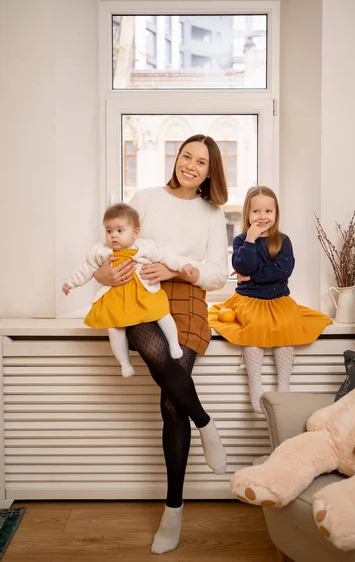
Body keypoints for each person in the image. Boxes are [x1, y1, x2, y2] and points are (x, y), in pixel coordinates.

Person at [93, 135, 229, 555]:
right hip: (137, 294)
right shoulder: (146, 197)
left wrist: (176, 272)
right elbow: (111, 248)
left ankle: (173, 511)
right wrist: (103, 276)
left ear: (210, 171)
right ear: (177, 158)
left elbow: (217, 274)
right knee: (157, 358)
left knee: (172, 403)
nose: (191, 165)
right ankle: (206, 423)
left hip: (186, 299)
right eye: (186, 155)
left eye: (201, 161)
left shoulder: (211, 212)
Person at [208, 186, 332, 413]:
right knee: (254, 329)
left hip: (278, 299)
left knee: (286, 328)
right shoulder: (240, 240)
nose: (262, 217)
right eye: (256, 212)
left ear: (276, 213)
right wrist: (251, 241)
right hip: (249, 300)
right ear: (247, 213)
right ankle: (256, 388)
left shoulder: (283, 240)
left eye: (268, 211)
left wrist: (251, 277)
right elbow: (242, 266)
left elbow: (282, 270)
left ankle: (283, 388)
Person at [62, 202, 195, 378]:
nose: (113, 236)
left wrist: (181, 265)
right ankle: (124, 363)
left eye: (119, 230)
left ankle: (173, 344)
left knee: (162, 312)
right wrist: (71, 283)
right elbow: (86, 270)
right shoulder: (101, 251)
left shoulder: (144, 247)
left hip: (143, 292)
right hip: (116, 297)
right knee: (114, 328)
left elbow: (166, 256)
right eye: (109, 231)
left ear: (135, 232)